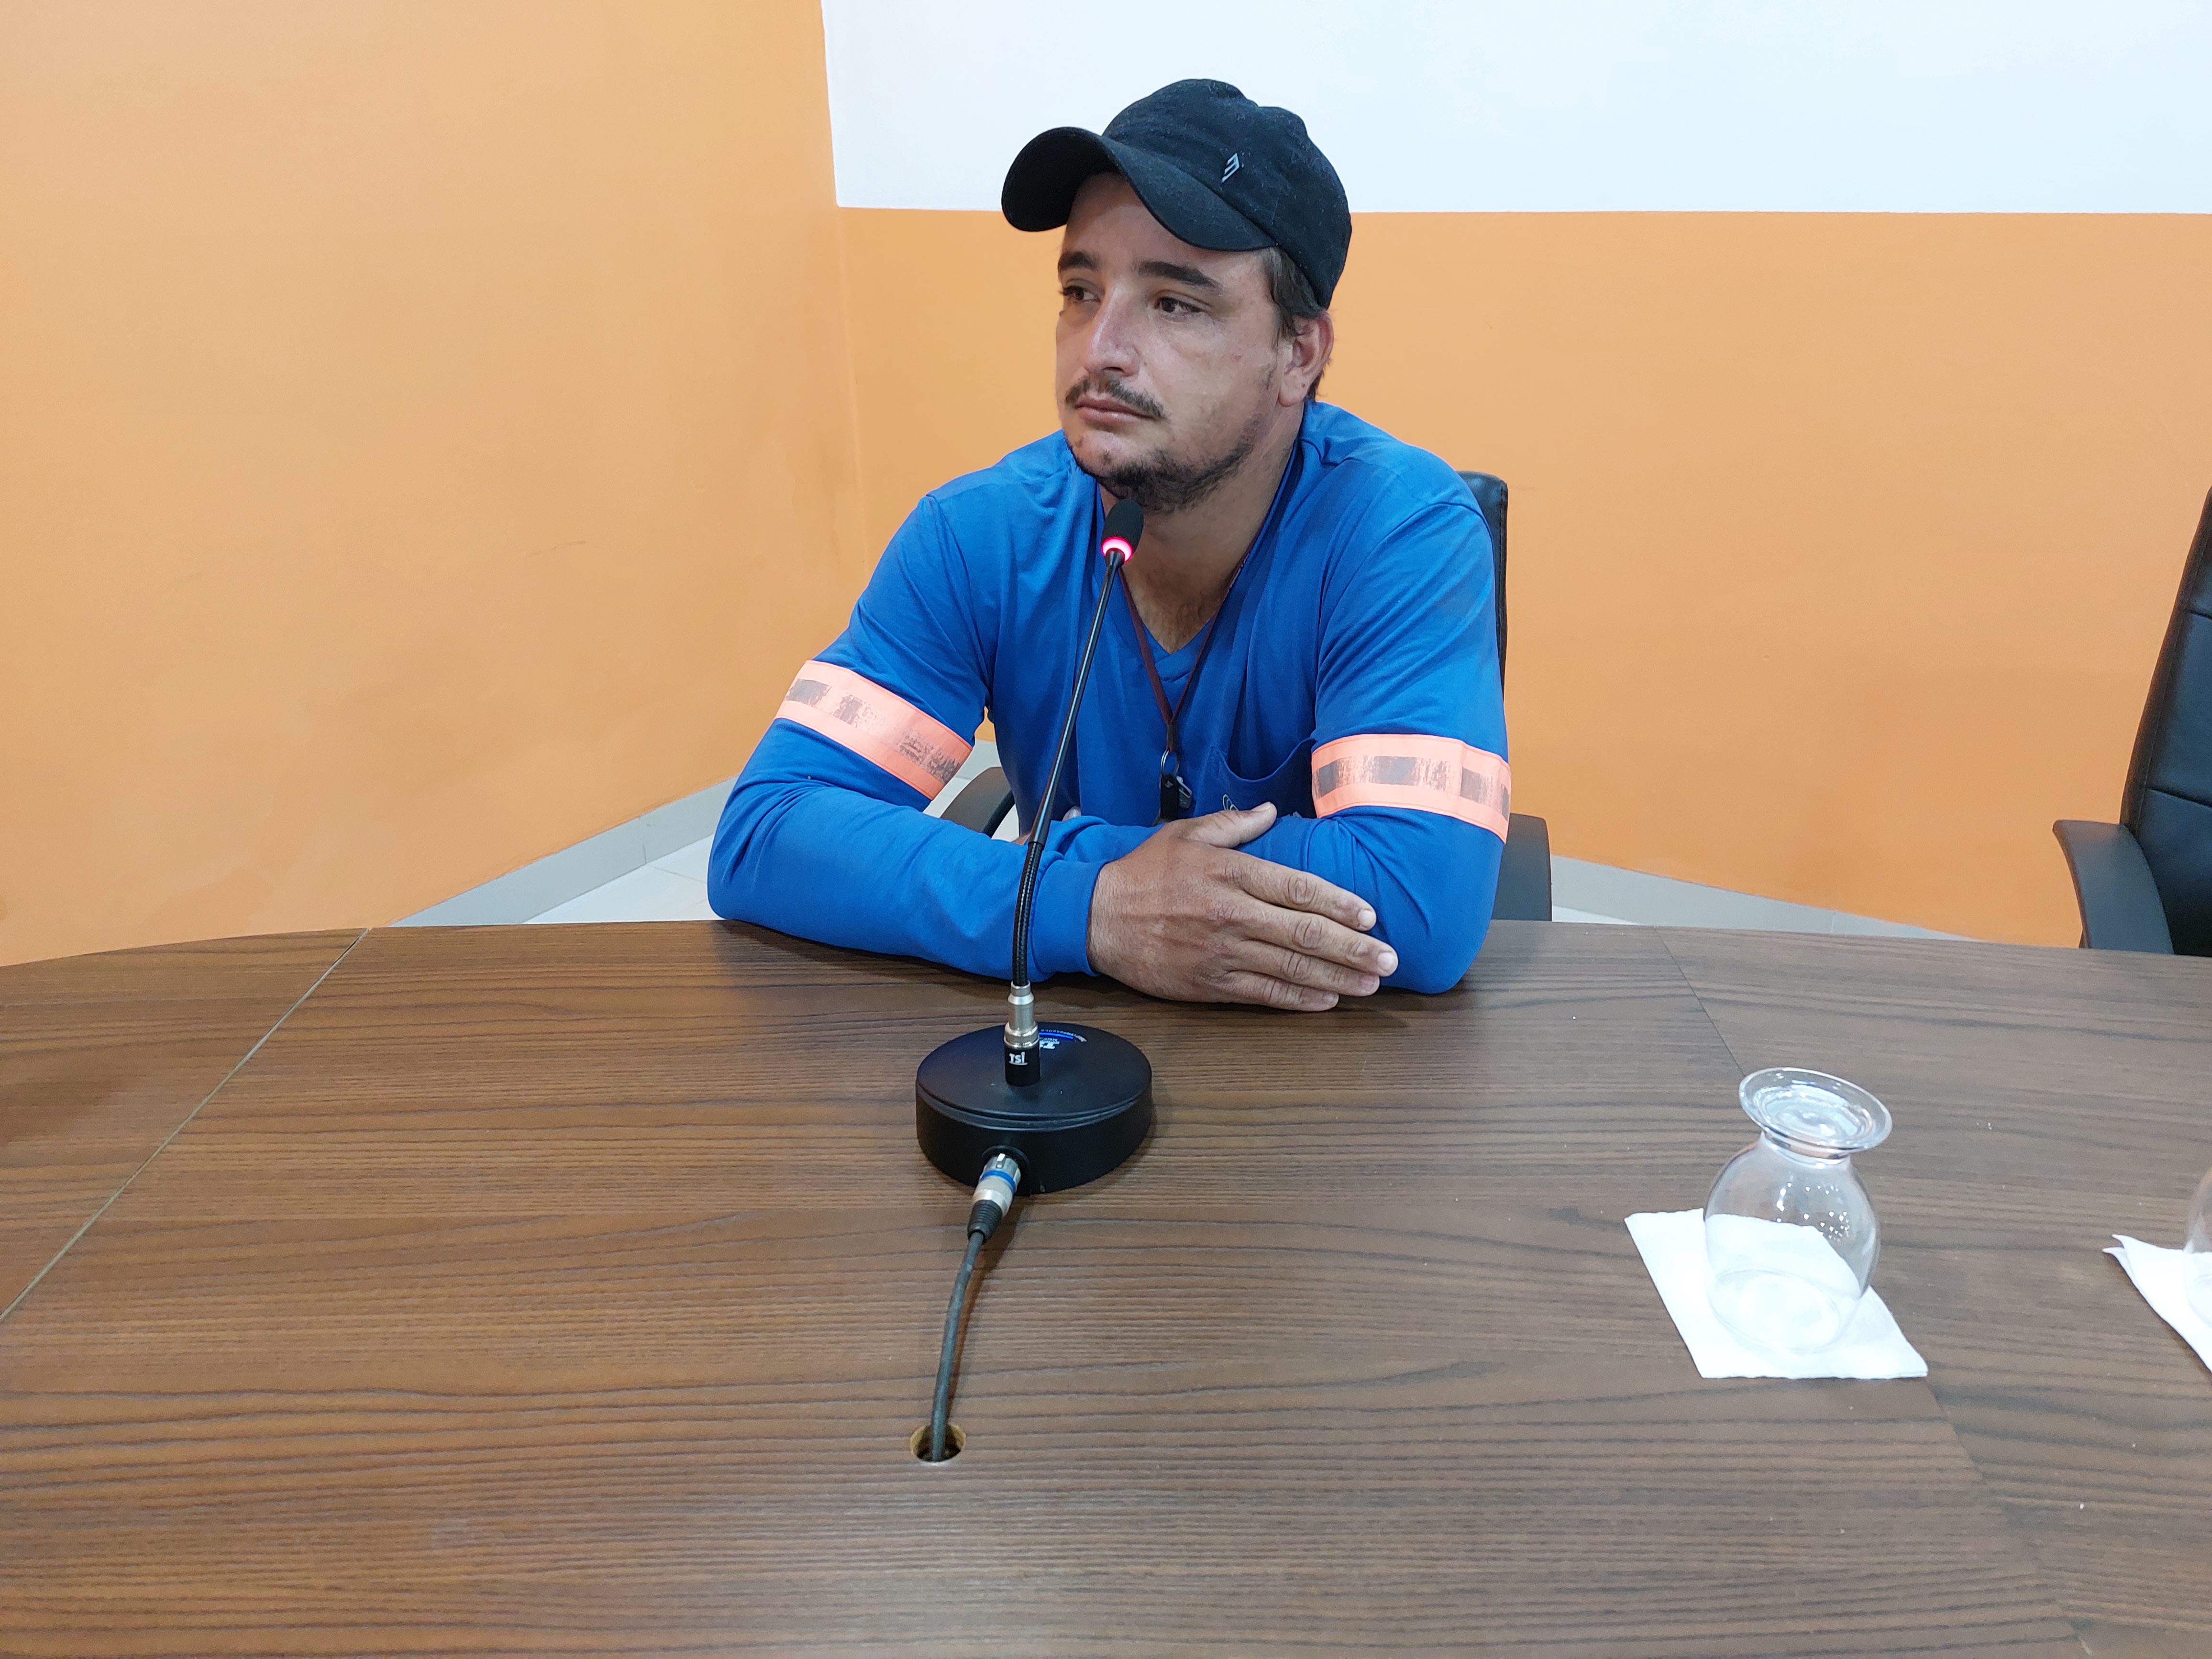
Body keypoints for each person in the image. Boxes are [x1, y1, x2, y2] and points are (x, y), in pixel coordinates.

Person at [709, 79, 1507, 1010]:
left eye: (1174, 304)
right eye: (1080, 292)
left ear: (1298, 354)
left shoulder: (1399, 530)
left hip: (1322, 1066)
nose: (1100, 349)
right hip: (1068, 1043)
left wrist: (1052, 867)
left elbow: (1419, 898)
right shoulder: (979, 536)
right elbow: (767, 832)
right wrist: (1091, 904)